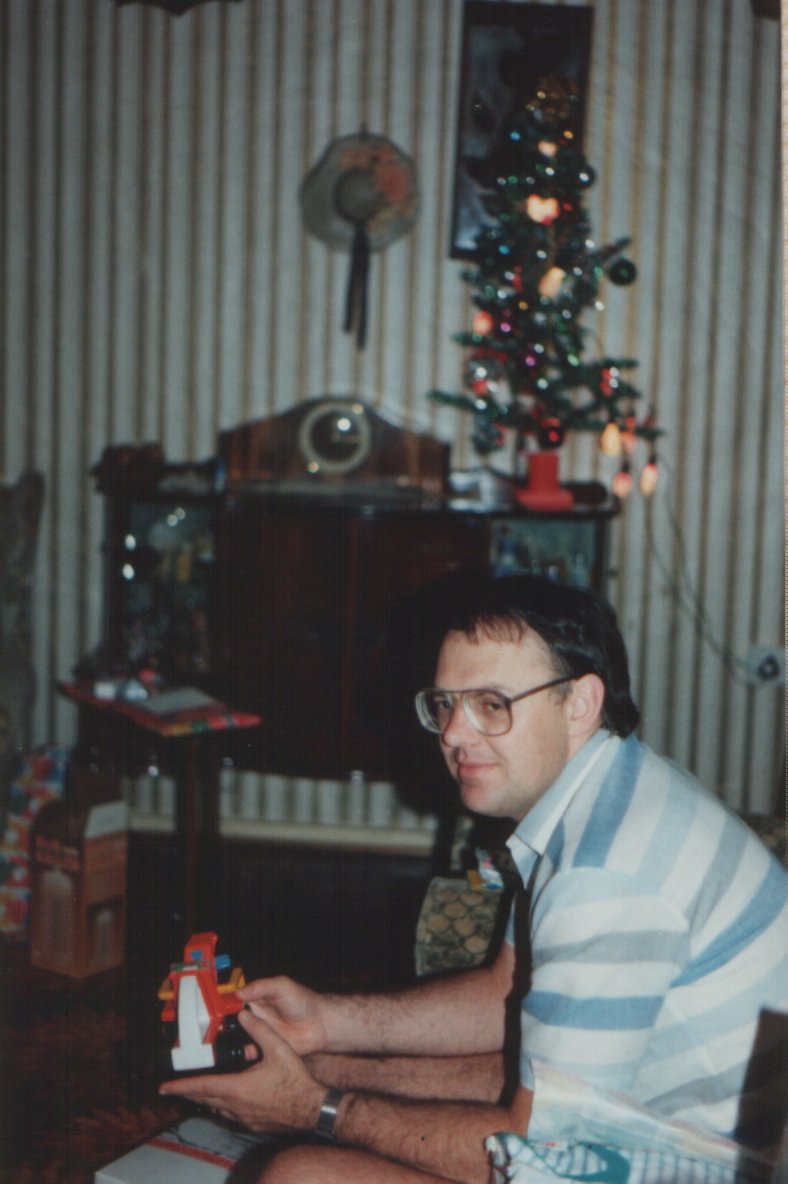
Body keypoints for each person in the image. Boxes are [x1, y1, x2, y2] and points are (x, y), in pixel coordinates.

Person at [161, 574, 787, 1184]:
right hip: (679, 1121)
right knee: (499, 1070)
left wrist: (314, 1108)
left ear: (580, 704)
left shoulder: (603, 878)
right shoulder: (608, 793)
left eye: (491, 705)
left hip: (720, 1166)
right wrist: (327, 1026)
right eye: (445, 704)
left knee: (300, 1175)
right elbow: (502, 993)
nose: (455, 735)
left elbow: (539, 1158)